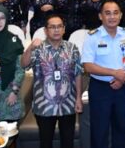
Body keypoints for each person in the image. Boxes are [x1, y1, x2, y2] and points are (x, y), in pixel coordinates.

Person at [81, 1, 125, 148]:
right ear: (100, 16)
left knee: (122, 129)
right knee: (99, 131)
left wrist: (123, 78)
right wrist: (114, 73)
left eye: (115, 13)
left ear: (120, 15)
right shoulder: (92, 37)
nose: (112, 16)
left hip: (123, 87)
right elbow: (87, 66)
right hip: (100, 88)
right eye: (107, 13)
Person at [21, 14, 83, 148]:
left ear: (64, 29)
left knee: (68, 142)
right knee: (45, 142)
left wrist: (78, 98)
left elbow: (78, 74)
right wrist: (30, 47)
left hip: (68, 104)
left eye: (59, 26)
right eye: (52, 27)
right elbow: (24, 65)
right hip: (44, 105)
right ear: (45, 30)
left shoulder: (73, 48)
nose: (56, 30)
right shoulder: (37, 48)